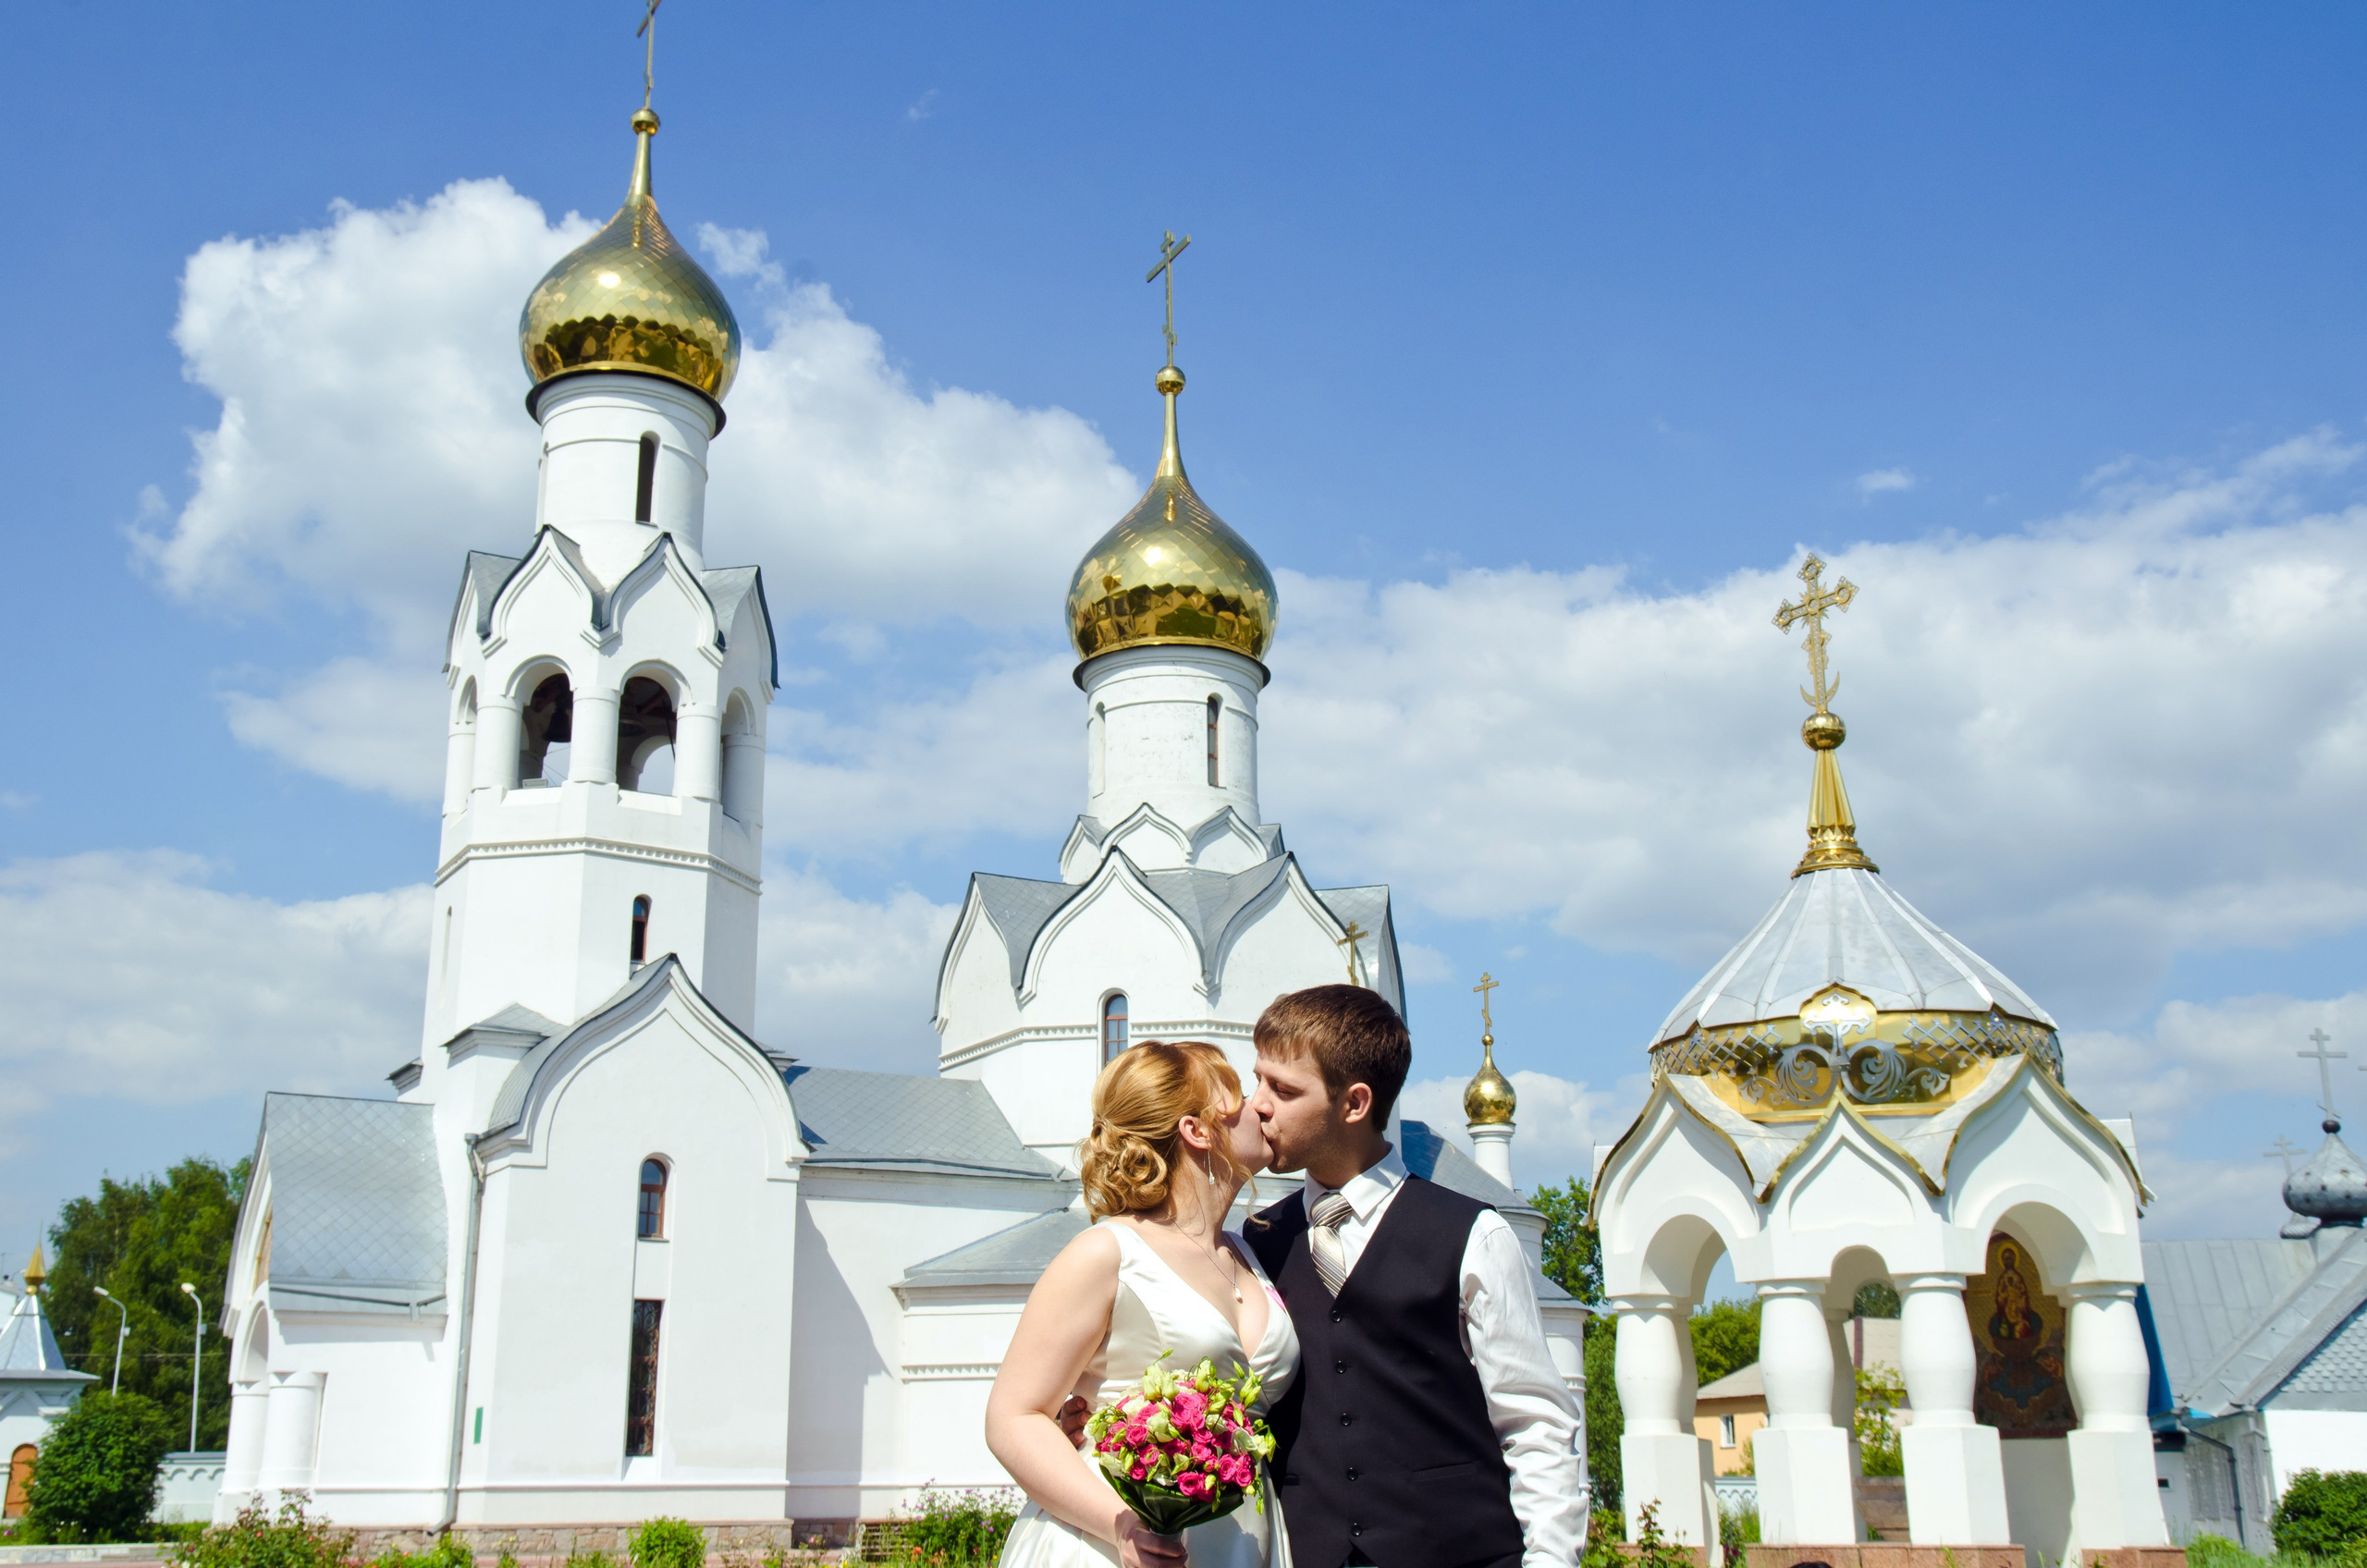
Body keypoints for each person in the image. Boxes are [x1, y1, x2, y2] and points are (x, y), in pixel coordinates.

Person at [1243, 986, 1586, 1568]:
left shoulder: (1471, 1233)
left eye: (1283, 1089)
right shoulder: (1258, 1241)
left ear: (1353, 1104)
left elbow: (1534, 1421)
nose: (1257, 1105)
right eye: (1259, 1081)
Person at [988, 1041, 1302, 1567]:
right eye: (1244, 1097)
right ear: (1198, 1130)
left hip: (1243, 1540)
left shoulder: (1251, 1251)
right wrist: (1122, 1524)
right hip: (1117, 1543)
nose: (1262, 1108)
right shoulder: (1107, 1252)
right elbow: (1012, 1416)